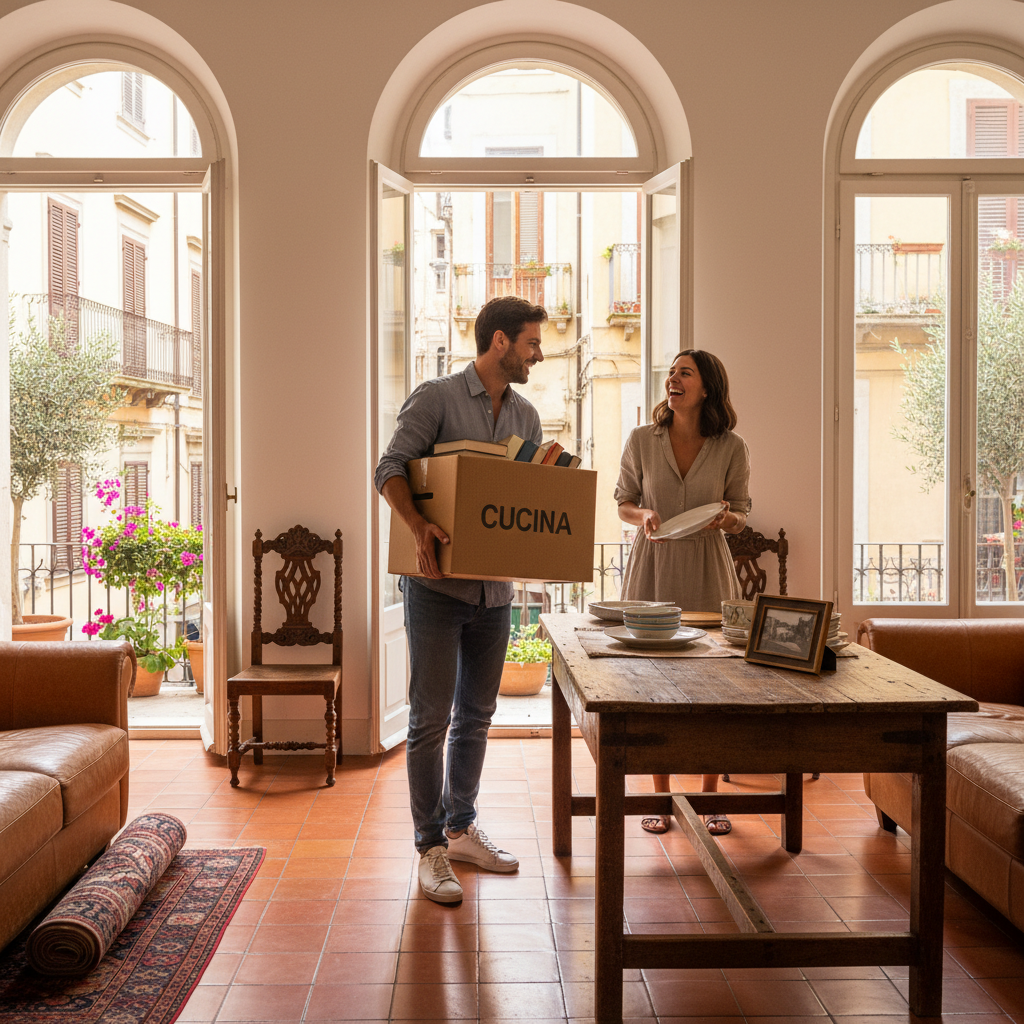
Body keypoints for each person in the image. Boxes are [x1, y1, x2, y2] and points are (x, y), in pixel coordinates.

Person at [374, 295, 546, 903]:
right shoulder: (437, 399)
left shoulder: (526, 415)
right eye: (530, 343)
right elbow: (389, 467)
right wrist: (419, 525)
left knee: (476, 717)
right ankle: (430, 849)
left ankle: (461, 826)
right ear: (499, 342)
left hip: (495, 594)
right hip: (437, 590)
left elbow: (526, 503)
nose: (538, 354)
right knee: (429, 721)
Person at [614, 349, 750, 836]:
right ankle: (660, 794)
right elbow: (622, 501)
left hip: (709, 568)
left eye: (684, 373)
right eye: (670, 372)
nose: (672, 379)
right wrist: (643, 515)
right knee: (653, 683)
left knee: (713, 686)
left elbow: (742, 514)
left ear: (706, 387)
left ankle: (711, 797)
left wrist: (725, 518)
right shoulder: (641, 440)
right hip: (652, 565)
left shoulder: (732, 446)